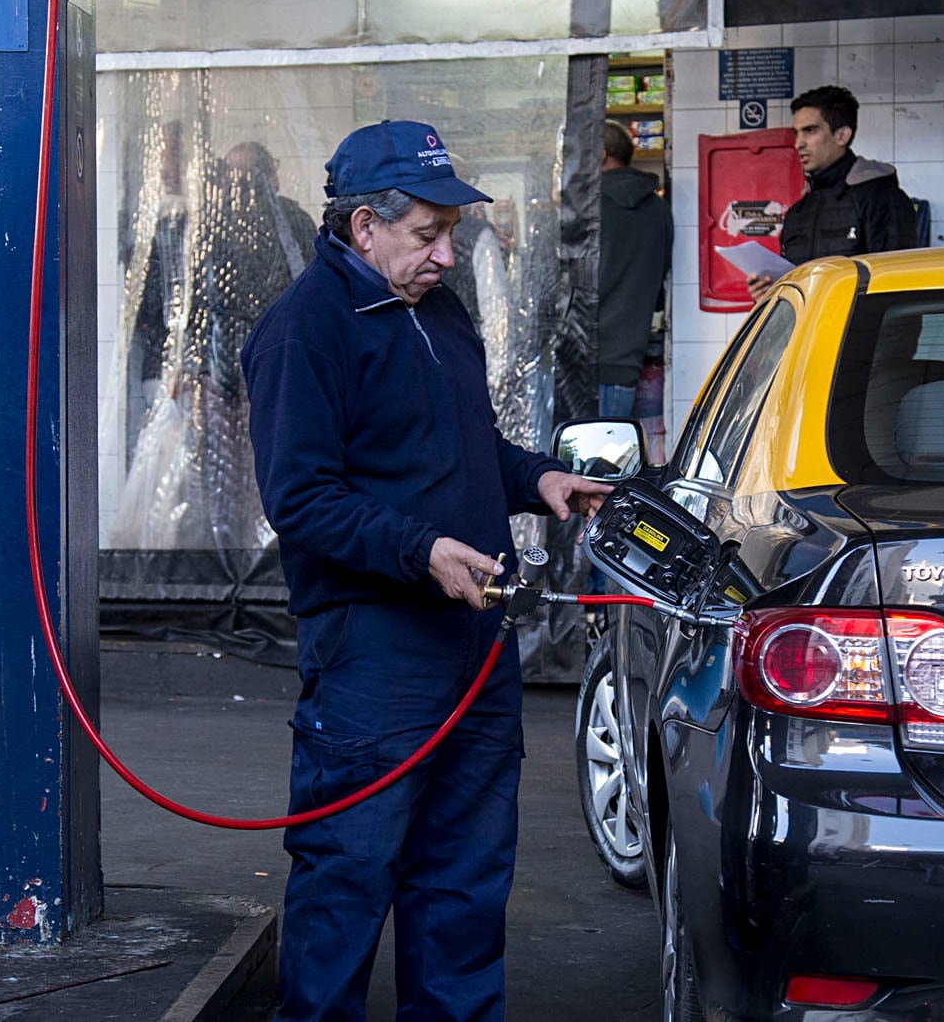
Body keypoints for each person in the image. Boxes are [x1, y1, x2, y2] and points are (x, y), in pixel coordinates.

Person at [241, 120, 610, 1020]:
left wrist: (535, 476)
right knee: (347, 882)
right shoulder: (304, 333)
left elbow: (456, 444)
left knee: (464, 888)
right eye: (426, 234)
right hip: (375, 658)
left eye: (452, 231)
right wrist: (422, 551)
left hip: (474, 651)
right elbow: (302, 499)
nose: (447, 253)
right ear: (364, 225)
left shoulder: (435, 308)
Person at [747, 85, 916, 300]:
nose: (798, 143)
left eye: (810, 130)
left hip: (860, 334)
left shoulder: (881, 198)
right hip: (811, 333)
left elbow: (898, 291)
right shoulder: (798, 212)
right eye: (796, 133)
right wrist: (768, 294)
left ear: (842, 135)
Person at [597, 122, 673, 418]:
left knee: (577, 455)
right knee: (616, 454)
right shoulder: (658, 207)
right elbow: (661, 283)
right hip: (630, 358)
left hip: (587, 361)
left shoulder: (588, 205)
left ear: (601, 154)